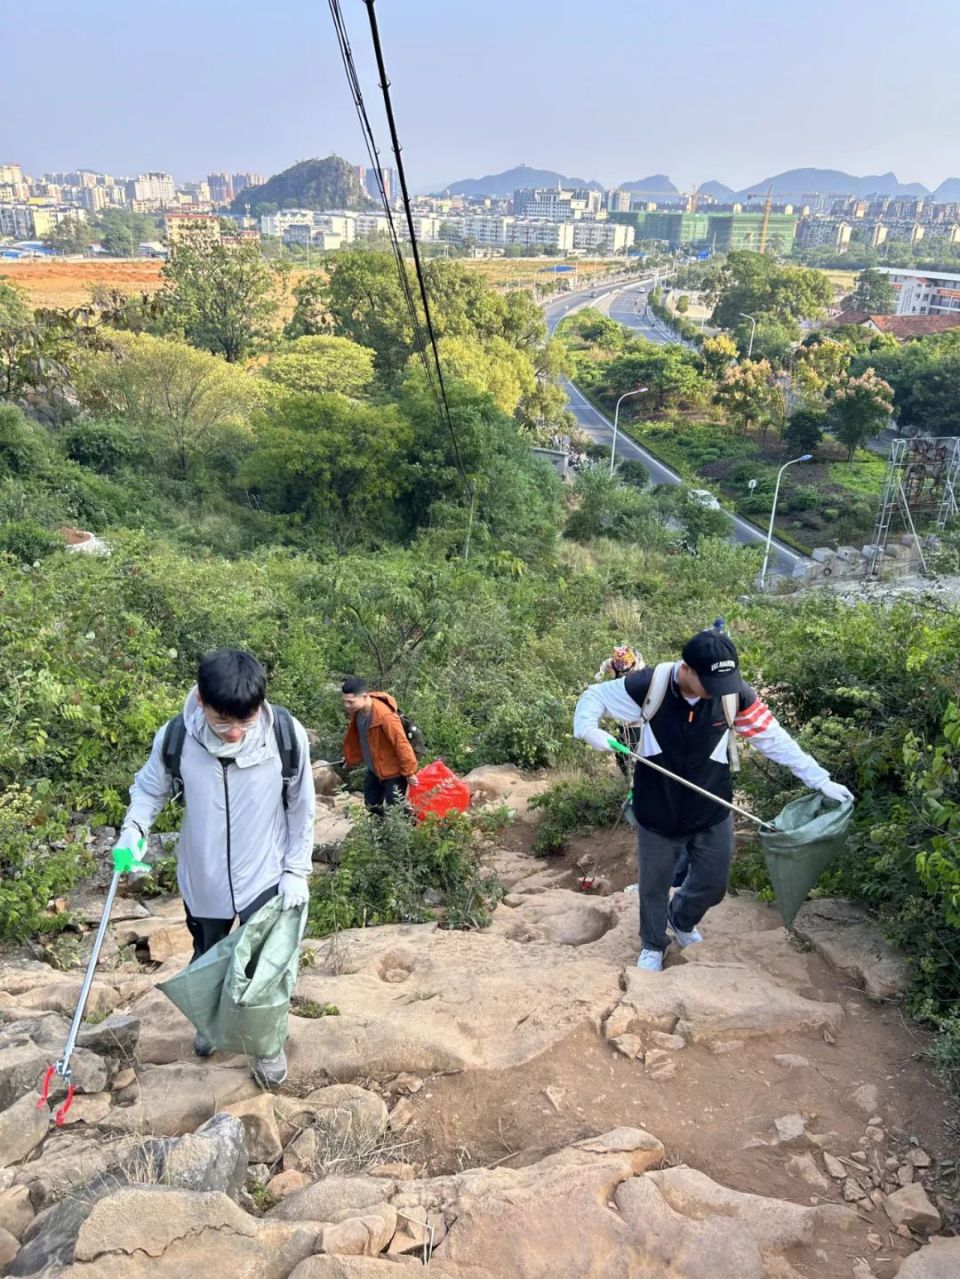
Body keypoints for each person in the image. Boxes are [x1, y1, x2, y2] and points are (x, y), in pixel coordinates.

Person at [574, 624, 853, 973]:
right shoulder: (650, 685)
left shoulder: (732, 694)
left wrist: (820, 780)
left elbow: (773, 738)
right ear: (686, 669)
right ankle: (652, 945)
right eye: (710, 683)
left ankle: (681, 920)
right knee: (654, 886)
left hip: (711, 807)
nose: (718, 691)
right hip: (657, 808)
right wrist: (587, 727)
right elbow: (593, 696)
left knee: (713, 883)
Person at [116, 649, 315, 1085]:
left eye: (245, 722)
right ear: (202, 702)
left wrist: (297, 870)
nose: (235, 733)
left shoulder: (283, 733)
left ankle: (264, 1046)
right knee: (208, 955)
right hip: (203, 875)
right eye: (224, 722)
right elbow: (150, 790)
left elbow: (302, 805)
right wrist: (134, 830)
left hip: (266, 871)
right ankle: (210, 1022)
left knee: (264, 966)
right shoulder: (177, 738)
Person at [341, 677, 419, 813]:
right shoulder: (358, 712)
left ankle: (404, 831)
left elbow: (401, 743)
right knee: (372, 805)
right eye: (345, 701)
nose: (347, 706)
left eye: (350, 702)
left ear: (364, 696)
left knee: (396, 810)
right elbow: (361, 739)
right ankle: (378, 831)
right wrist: (349, 757)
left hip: (394, 772)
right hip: (375, 769)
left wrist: (410, 773)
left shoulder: (385, 716)